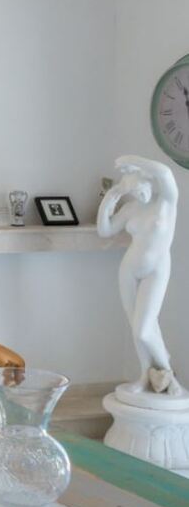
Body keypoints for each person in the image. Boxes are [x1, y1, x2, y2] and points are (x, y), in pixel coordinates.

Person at [98, 155, 181, 397]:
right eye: (133, 191)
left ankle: (168, 374)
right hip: (129, 270)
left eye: (141, 188)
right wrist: (111, 197)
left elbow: (164, 172)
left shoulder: (166, 201)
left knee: (144, 329)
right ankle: (145, 375)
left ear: (149, 182)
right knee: (136, 327)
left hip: (157, 269)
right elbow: (104, 231)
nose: (139, 194)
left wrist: (132, 160)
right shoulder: (130, 209)